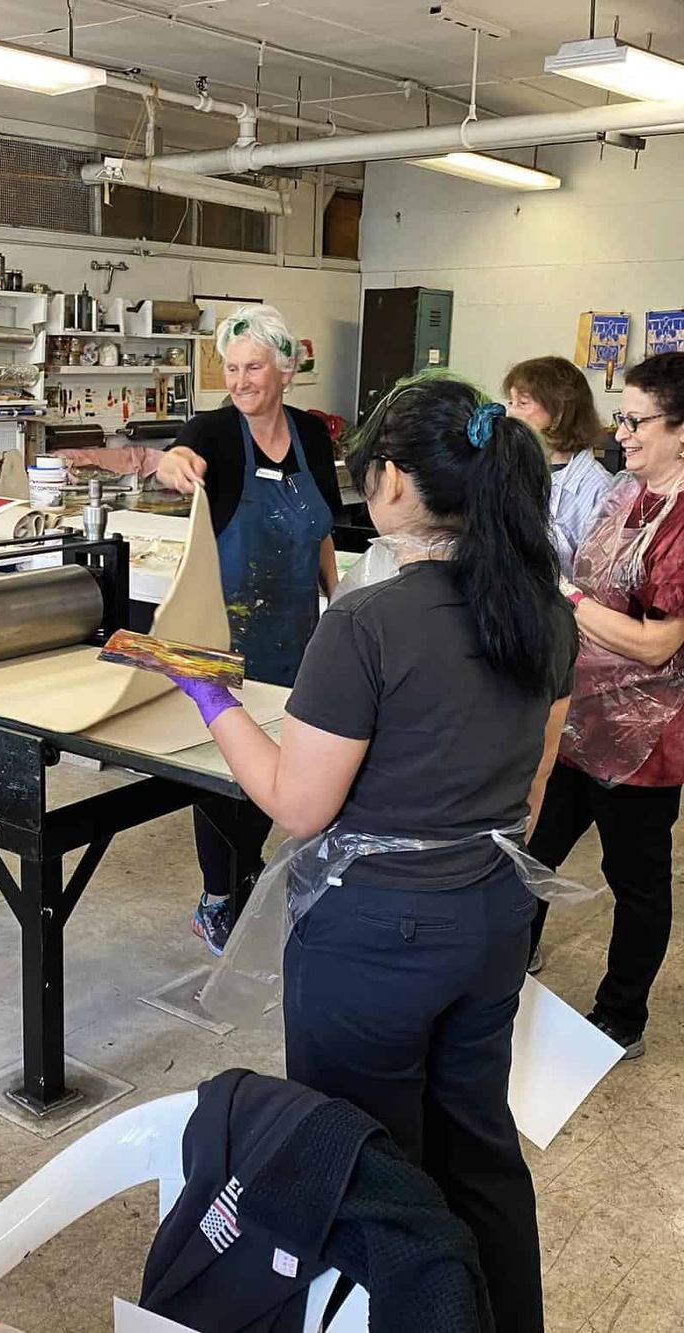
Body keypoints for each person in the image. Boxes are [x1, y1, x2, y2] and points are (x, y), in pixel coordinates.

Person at [173, 374, 579, 1333]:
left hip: (372, 935)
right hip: (488, 918)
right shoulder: (542, 612)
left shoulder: (366, 621)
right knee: (478, 1142)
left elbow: (296, 804)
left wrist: (209, 697)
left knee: (362, 1157)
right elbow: (530, 794)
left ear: (392, 483)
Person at [156, 305, 341, 955]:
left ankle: (245, 870)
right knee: (223, 771)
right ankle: (216, 896)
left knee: (280, 766)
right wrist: (171, 464)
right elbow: (177, 453)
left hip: (294, 632)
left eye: (254, 366)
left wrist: (337, 597)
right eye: (231, 368)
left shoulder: (312, 437)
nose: (240, 381)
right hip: (223, 636)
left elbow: (317, 527)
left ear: (285, 368)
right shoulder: (213, 430)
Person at [527, 352, 684, 1057]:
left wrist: (562, 597)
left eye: (636, 419)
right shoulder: (625, 493)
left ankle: (623, 1014)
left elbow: (656, 646)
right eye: (621, 417)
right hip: (584, 716)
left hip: (644, 742)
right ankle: (507, 963)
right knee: (531, 847)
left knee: (637, 881)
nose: (620, 431)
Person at [504, 355, 614, 578]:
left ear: (560, 412)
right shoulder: (512, 467)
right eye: (511, 402)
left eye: (523, 403)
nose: (511, 413)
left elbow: (598, 577)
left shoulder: (598, 488)